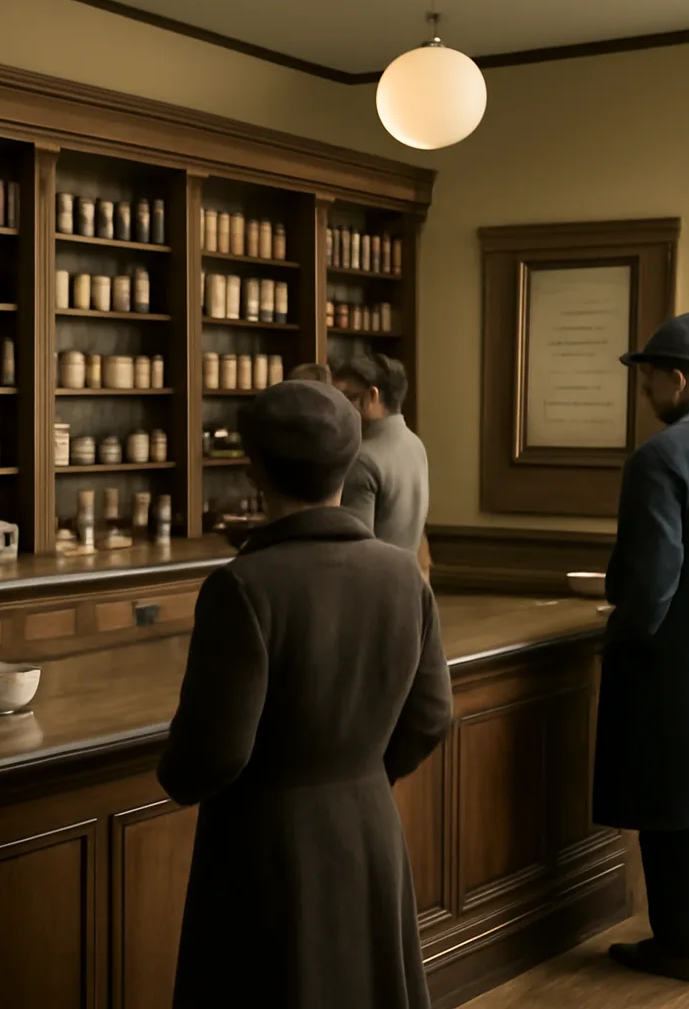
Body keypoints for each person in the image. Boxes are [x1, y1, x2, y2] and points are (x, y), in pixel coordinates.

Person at [158, 380, 452, 1009]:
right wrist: (359, 774)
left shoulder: (243, 586)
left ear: (252, 468)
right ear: (351, 461)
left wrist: (177, 776)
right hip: (368, 825)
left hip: (266, 842)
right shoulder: (402, 574)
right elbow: (432, 715)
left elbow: (213, 753)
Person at [595, 311, 689, 983]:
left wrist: (624, 637)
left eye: (646, 381)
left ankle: (684, 945)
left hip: (677, 663)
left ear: (673, 378)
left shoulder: (662, 457)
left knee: (674, 805)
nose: (644, 394)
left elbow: (652, 581)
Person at [332, 354, 429, 554]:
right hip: (406, 578)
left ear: (372, 396)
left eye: (344, 398)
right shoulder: (415, 444)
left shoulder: (362, 459)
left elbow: (355, 549)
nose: (337, 409)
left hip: (373, 581)